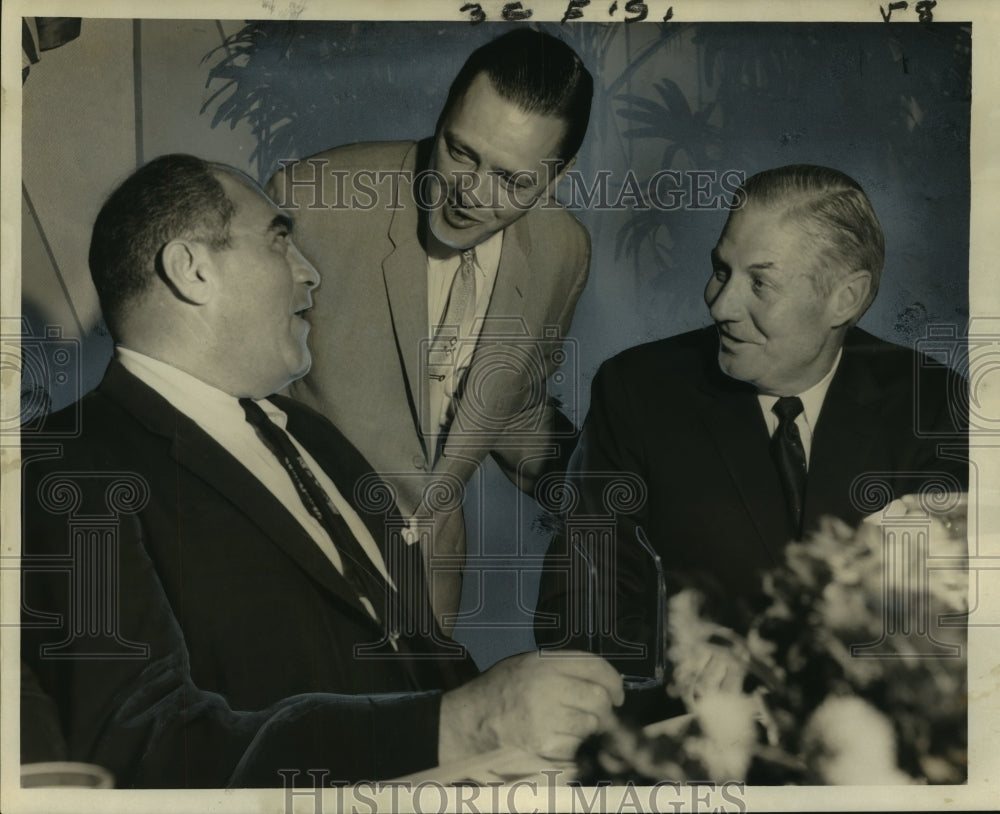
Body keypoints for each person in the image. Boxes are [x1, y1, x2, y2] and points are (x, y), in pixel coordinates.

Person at [20, 155, 623, 788]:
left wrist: (550, 715)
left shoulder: (312, 435)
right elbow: (145, 746)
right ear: (190, 269)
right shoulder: (66, 465)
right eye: (280, 240)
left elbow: (421, 666)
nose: (311, 273)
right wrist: (459, 725)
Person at [535, 164, 968, 702]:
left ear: (846, 298)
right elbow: (579, 605)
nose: (720, 305)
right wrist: (686, 654)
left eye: (759, 283)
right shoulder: (638, 392)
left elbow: (951, 615)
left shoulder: (929, 401)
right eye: (722, 270)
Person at [267, 29, 593, 628]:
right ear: (442, 113)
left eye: (513, 180)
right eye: (460, 151)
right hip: (291, 566)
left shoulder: (563, 249)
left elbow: (509, 409)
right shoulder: (312, 202)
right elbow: (223, 395)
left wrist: (616, 482)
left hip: (432, 584)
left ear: (560, 174)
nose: (470, 194)